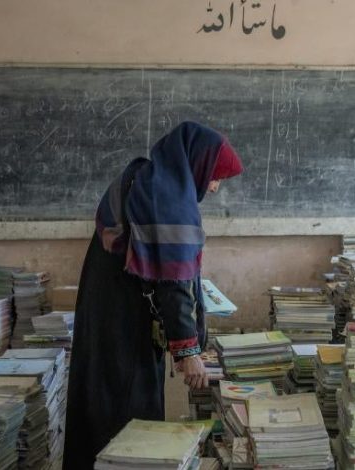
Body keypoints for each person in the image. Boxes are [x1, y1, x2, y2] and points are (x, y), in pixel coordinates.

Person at [63, 121, 243, 469]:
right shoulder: (169, 199)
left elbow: (163, 267)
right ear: (198, 164)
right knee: (129, 417)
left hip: (105, 310)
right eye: (215, 176)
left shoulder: (146, 178)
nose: (215, 187)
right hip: (125, 322)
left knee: (100, 403)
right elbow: (172, 283)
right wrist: (188, 352)